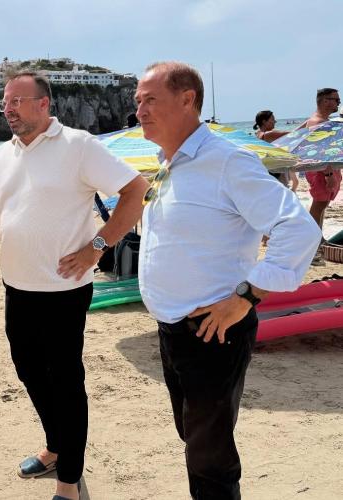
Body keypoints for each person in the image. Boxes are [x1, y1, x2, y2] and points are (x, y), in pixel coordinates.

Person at [0, 70, 148, 500]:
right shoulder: (3, 153)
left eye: (16, 101)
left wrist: (97, 247)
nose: (7, 110)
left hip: (64, 291)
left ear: (43, 104)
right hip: (16, 287)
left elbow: (136, 190)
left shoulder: (79, 145)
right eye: (4, 103)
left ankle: (69, 480)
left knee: (65, 383)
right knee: (29, 373)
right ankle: (55, 446)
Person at [135, 61, 320, 500]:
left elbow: (298, 228)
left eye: (150, 100)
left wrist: (246, 296)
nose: (140, 110)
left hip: (213, 330)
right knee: (194, 436)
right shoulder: (169, 164)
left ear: (187, 100)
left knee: (210, 458)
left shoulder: (226, 161)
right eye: (138, 101)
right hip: (173, 328)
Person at [300, 88, 341, 265]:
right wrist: (329, 174)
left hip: (324, 169)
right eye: (336, 100)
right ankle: (312, 247)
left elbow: (297, 134)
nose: (338, 103)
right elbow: (320, 151)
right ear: (325, 101)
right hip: (322, 170)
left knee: (321, 206)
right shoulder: (318, 122)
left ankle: (317, 240)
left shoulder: (317, 120)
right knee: (318, 207)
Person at [253, 110, 297, 191]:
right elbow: (293, 134)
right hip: (275, 173)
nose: (275, 121)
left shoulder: (257, 134)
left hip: (266, 171)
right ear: (264, 121)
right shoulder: (267, 134)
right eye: (272, 119)